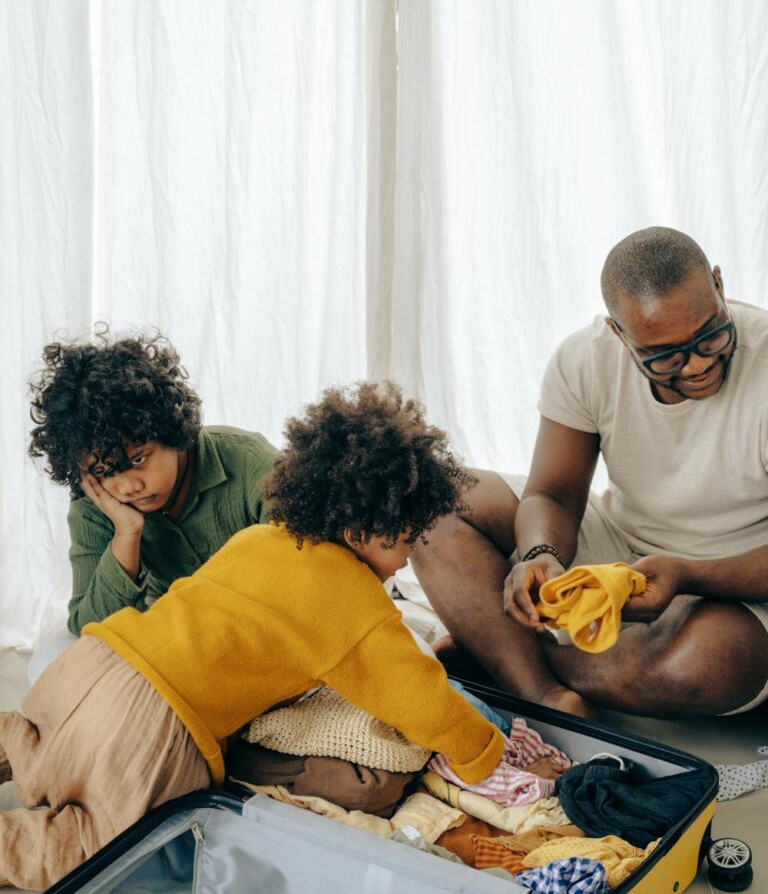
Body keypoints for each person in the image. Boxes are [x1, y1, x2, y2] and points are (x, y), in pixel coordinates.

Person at [0, 381, 504, 890]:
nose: (408, 558)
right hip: (154, 720)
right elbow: (421, 698)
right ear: (361, 536)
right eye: (407, 543)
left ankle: (15, 739)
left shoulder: (259, 537)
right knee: (102, 845)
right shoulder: (355, 603)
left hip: (92, 666)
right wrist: (484, 753)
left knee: (46, 751)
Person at [413, 227, 768, 719]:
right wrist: (541, 554)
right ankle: (544, 693)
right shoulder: (586, 358)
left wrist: (689, 574)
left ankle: (497, 652)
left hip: (735, 577)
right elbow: (553, 494)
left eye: (712, 334)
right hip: (622, 545)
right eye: (665, 356)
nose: (697, 365)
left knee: (704, 664)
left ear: (720, 285)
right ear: (620, 334)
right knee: (433, 500)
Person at [27, 329, 278, 642]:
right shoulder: (95, 505)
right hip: (179, 633)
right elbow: (89, 625)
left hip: (268, 624)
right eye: (106, 471)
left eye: (137, 460)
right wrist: (126, 534)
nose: (127, 486)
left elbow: (307, 573)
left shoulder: (248, 461)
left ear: (171, 432)